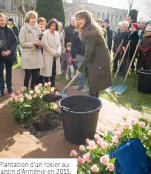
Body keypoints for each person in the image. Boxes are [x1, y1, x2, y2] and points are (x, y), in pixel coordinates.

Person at [75, 10, 112, 98]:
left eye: (80, 18)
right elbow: (104, 32)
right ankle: (93, 101)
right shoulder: (92, 28)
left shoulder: (89, 33)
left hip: (98, 62)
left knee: (94, 85)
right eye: (77, 19)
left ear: (87, 19)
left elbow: (88, 54)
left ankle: (93, 105)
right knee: (93, 83)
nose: (78, 21)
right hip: (98, 60)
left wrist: (80, 68)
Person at [19, 11, 44, 89]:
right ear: (28, 19)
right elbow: (22, 44)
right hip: (28, 56)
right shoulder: (23, 29)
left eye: (35, 18)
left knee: (36, 76)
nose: (34, 20)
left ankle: (33, 92)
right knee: (28, 75)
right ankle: (25, 91)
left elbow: (41, 42)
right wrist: (33, 43)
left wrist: (40, 44)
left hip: (37, 56)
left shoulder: (38, 29)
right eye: (32, 18)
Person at [40, 18, 61, 89]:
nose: (53, 27)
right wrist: (55, 53)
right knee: (46, 73)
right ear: (49, 25)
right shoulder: (45, 34)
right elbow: (45, 45)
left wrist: (58, 52)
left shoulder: (57, 34)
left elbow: (59, 44)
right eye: (52, 25)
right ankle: (46, 88)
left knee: (53, 73)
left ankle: (52, 87)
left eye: (54, 26)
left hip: (56, 57)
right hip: (48, 56)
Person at [0, 13, 17, 97]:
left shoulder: (10, 30)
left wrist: (9, 51)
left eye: (3, 20)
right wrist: (1, 52)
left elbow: (15, 42)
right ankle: (1, 89)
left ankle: (9, 88)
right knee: (0, 73)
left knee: (9, 72)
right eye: (0, 20)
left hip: (9, 55)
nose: (2, 22)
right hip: (0, 56)